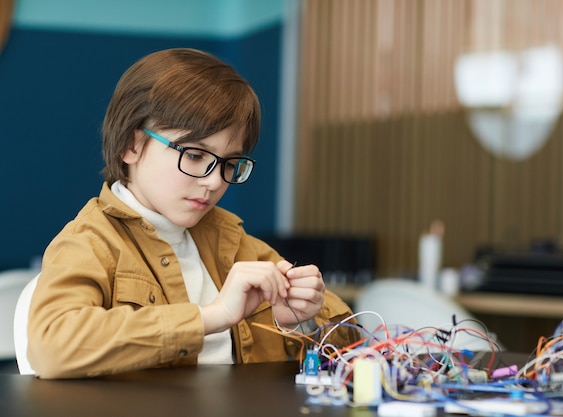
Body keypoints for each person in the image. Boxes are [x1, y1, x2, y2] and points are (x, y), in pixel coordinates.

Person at [27, 48, 359, 379]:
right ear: (132, 145)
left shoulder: (232, 240)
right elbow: (51, 348)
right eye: (196, 155)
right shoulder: (90, 242)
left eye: (230, 163)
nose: (215, 181)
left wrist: (304, 323)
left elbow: (354, 347)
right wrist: (210, 316)